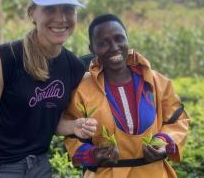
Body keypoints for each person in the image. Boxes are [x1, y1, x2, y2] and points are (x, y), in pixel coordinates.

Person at [0, 0, 98, 178]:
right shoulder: (3, 58)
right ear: (32, 13)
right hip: (0, 168)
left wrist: (73, 126)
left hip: (39, 167)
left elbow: (44, 118)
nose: (61, 18)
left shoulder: (72, 66)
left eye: (68, 8)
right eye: (49, 9)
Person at [64, 13, 190, 178]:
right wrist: (93, 155)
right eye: (103, 43)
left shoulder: (156, 82)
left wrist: (164, 143)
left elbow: (177, 121)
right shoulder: (83, 90)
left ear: (127, 39)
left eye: (119, 38)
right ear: (92, 49)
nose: (114, 46)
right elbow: (72, 136)